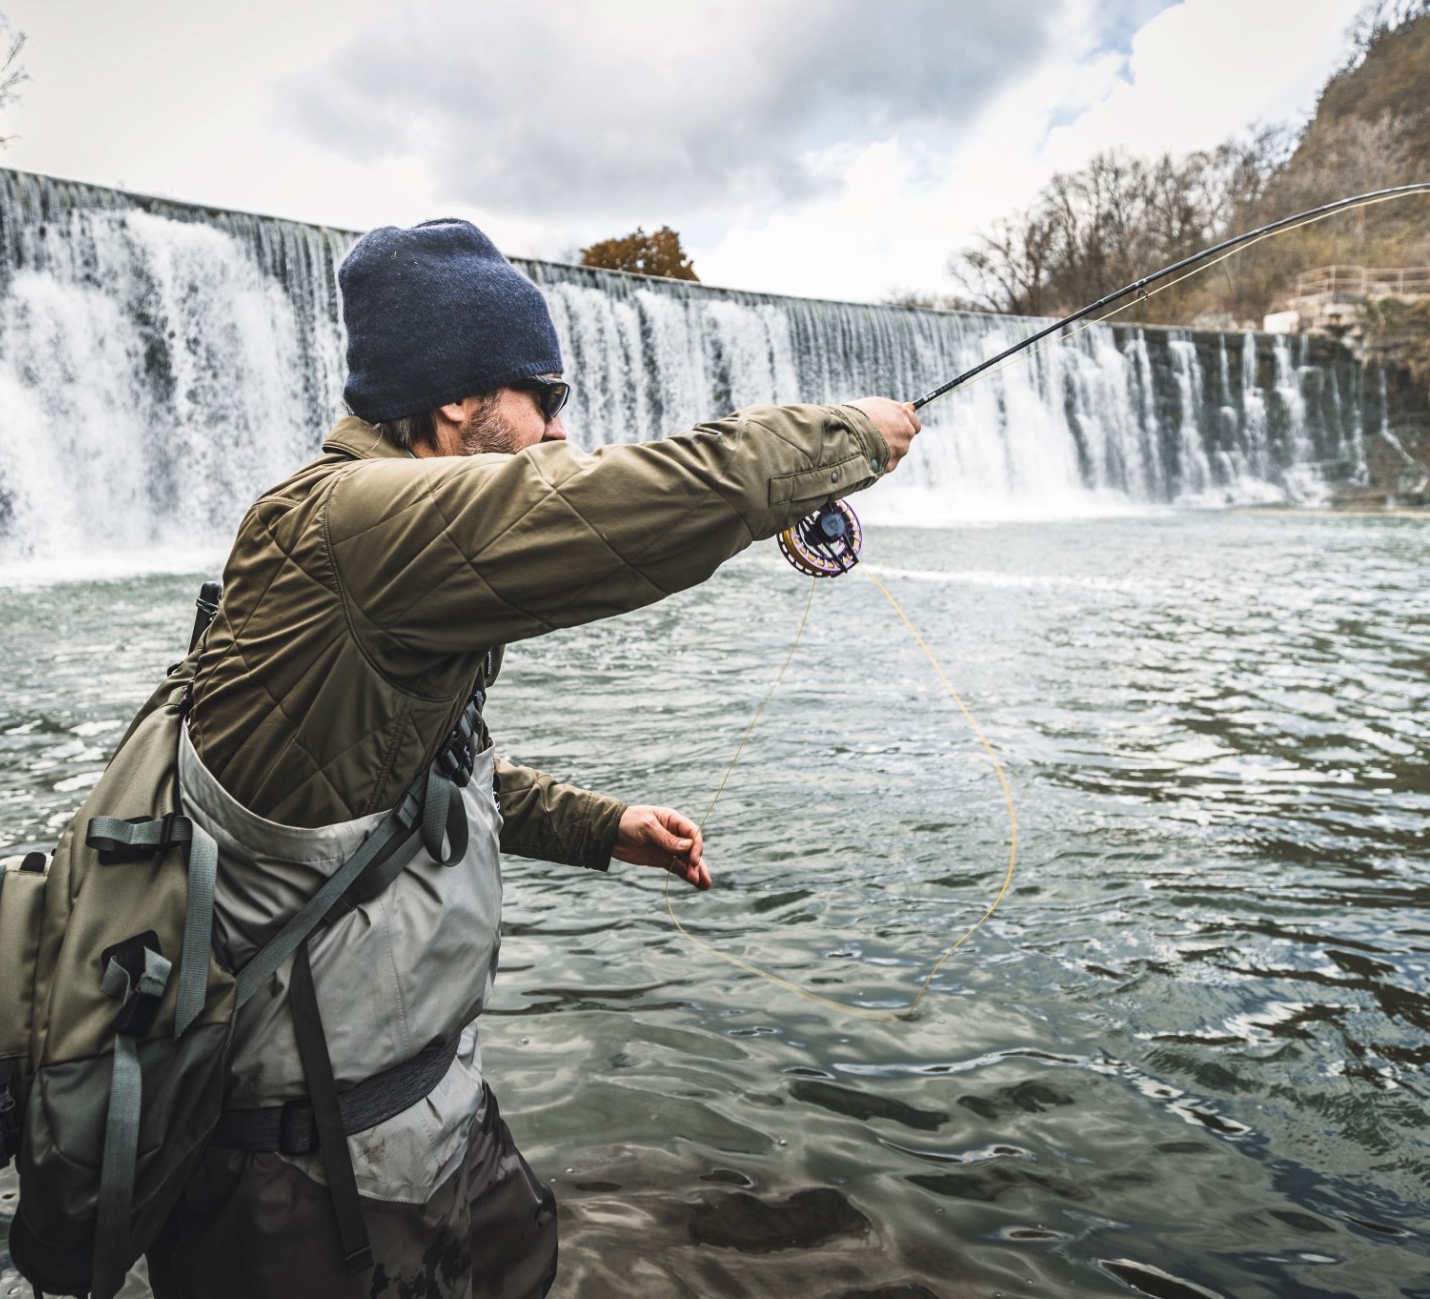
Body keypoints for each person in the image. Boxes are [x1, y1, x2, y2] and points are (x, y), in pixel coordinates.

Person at [146, 218, 919, 1299]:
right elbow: (619, 506)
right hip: (301, 1181)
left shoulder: (383, 546)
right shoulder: (350, 523)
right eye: (543, 398)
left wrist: (599, 828)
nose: (562, 427)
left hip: (429, 1120)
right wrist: (844, 441)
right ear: (459, 401)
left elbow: (406, 781)